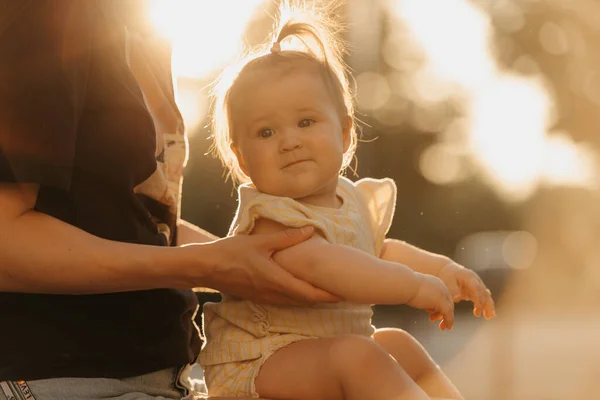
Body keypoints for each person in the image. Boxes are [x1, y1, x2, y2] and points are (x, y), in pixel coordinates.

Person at [0, 1, 338, 399]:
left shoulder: (148, 32)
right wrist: (212, 265)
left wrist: (270, 257)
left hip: (164, 379)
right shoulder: (45, 14)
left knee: (371, 360)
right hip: (63, 380)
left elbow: (141, 228)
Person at [199, 4, 497, 400]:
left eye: (305, 122)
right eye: (266, 131)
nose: (289, 141)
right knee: (359, 356)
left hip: (325, 350)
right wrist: (412, 286)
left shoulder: (352, 201)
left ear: (344, 133)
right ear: (241, 158)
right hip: (262, 363)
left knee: (395, 343)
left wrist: (443, 270)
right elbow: (329, 266)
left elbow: (381, 252)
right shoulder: (271, 218)